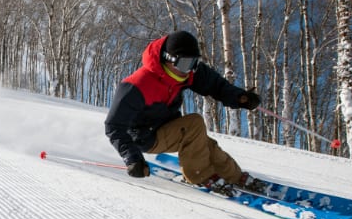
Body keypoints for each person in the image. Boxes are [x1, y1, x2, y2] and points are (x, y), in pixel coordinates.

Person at [104, 31, 263, 196]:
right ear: (168, 58)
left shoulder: (187, 73)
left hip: (168, 127)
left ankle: (234, 176)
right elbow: (114, 126)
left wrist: (240, 98)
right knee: (194, 124)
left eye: (194, 63)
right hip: (144, 137)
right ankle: (199, 174)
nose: (189, 70)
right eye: (185, 63)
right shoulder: (137, 85)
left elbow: (216, 85)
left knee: (204, 144)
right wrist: (132, 158)